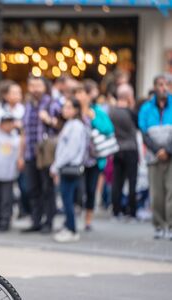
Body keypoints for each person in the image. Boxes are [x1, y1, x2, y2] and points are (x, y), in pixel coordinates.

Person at [21, 75, 61, 234]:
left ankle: (49, 222)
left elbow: (62, 125)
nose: (35, 89)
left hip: (46, 155)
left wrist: (49, 120)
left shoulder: (53, 103)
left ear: (45, 87)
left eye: (38, 86)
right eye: (32, 86)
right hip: (30, 153)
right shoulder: (28, 105)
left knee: (48, 189)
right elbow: (24, 131)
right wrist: (21, 155)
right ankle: (36, 221)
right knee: (32, 189)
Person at [74, 80, 114, 231]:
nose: (78, 96)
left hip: (94, 157)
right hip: (76, 157)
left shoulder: (97, 111)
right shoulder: (72, 110)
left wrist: (93, 118)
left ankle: (88, 219)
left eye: (81, 93)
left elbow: (108, 129)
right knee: (77, 189)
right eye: (76, 93)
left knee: (91, 189)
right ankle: (75, 213)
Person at [138, 75, 172, 239]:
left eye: (166, 85)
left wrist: (167, 150)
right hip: (153, 157)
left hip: (171, 156)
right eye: (160, 84)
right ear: (155, 87)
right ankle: (159, 225)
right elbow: (143, 132)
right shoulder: (146, 108)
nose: (163, 88)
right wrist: (157, 150)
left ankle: (171, 226)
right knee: (157, 194)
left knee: (171, 192)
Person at [50, 99, 86, 242]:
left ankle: (72, 229)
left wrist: (56, 165)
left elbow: (71, 150)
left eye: (69, 107)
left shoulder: (76, 126)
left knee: (67, 199)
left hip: (70, 166)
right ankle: (68, 226)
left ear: (76, 110)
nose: (65, 110)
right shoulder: (70, 124)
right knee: (66, 198)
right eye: (65, 107)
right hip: (65, 165)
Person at [108, 84, 139, 219]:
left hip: (117, 148)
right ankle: (131, 211)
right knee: (132, 181)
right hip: (130, 148)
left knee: (117, 181)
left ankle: (116, 209)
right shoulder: (131, 112)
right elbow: (138, 127)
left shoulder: (111, 111)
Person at [0, 114, 21, 231]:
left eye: (11, 123)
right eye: (6, 123)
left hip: (9, 173)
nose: (9, 126)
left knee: (6, 199)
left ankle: (5, 222)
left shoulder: (16, 137)